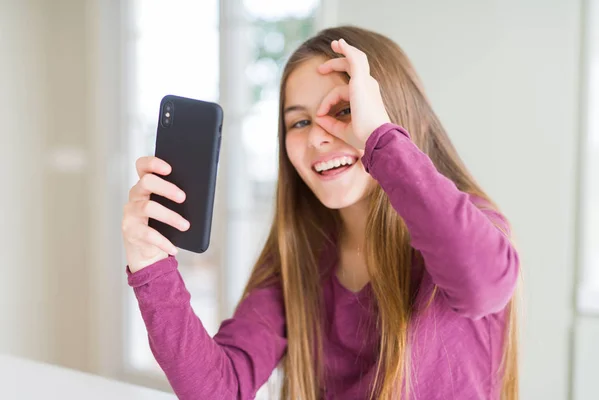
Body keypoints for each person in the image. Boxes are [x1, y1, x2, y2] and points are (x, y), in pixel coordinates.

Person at [121, 26, 520, 400]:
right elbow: (218, 388)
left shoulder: (471, 228)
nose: (316, 136)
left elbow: (482, 285)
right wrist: (150, 264)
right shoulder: (300, 257)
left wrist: (380, 141)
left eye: (344, 111)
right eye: (299, 121)